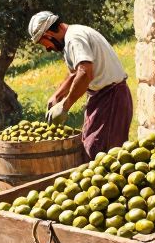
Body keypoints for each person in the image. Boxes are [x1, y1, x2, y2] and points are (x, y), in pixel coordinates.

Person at [29, 11, 133, 158]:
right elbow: (74, 73)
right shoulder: (71, 37)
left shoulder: (74, 38)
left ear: (48, 34)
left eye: (42, 42)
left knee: (98, 154)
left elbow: (85, 73)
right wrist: (57, 96)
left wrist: (65, 106)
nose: (47, 48)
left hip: (111, 98)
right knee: (94, 150)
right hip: (103, 97)